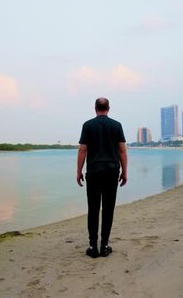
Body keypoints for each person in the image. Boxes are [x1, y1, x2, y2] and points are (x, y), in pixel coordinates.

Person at [77, 97, 128, 258]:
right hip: (112, 172)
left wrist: (78, 172)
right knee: (108, 209)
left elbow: (82, 151)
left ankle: (93, 247)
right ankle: (104, 246)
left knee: (93, 210)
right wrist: (125, 172)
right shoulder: (117, 125)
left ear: (95, 108)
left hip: (93, 172)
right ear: (108, 108)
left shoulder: (88, 125)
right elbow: (122, 151)